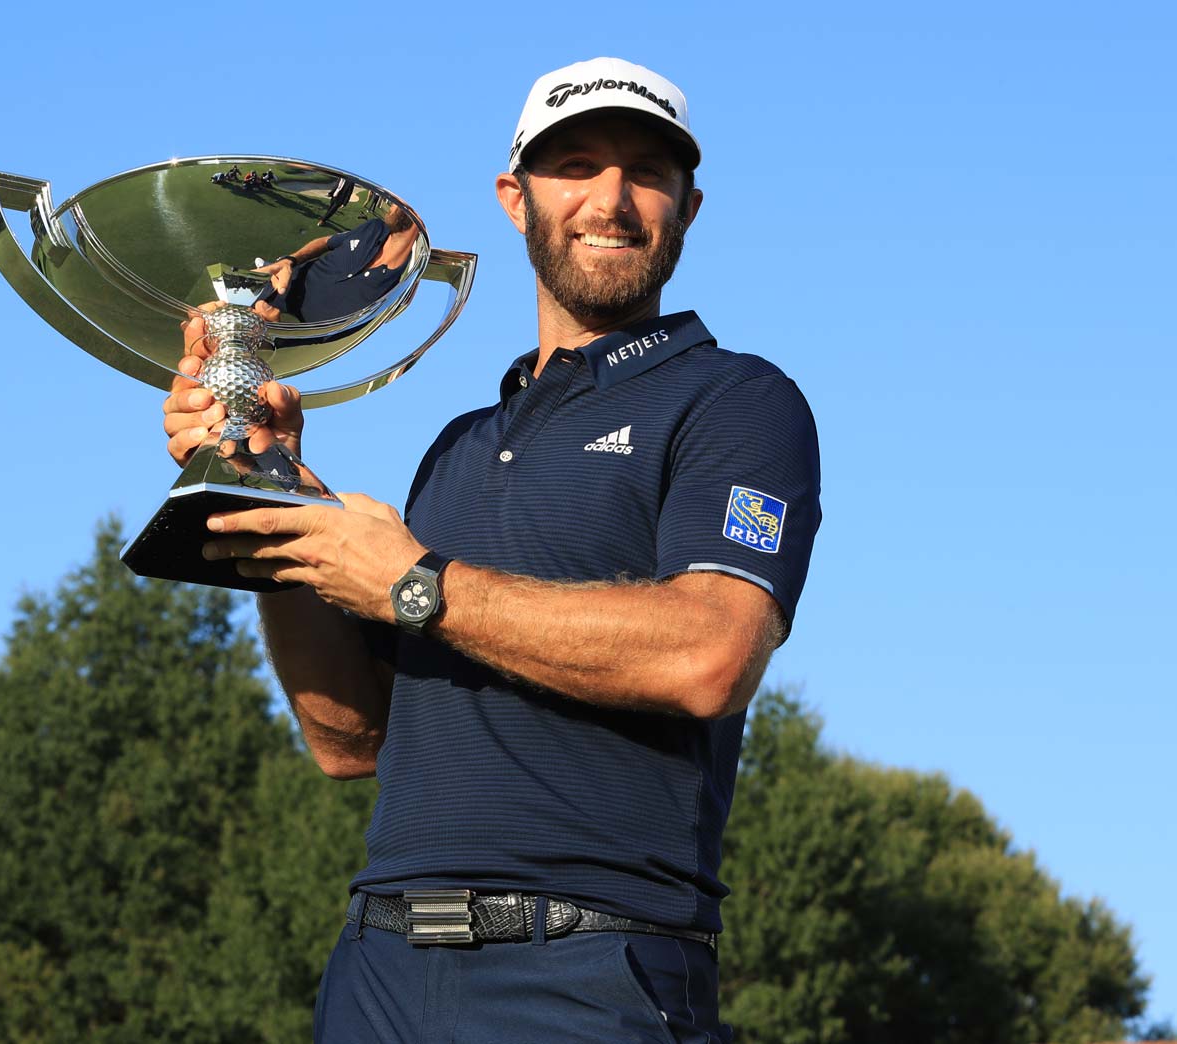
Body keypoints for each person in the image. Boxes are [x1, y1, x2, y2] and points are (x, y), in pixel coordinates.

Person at [162, 56, 820, 1042]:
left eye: (646, 172)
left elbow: (710, 654)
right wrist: (274, 485)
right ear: (516, 200)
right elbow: (349, 742)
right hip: (377, 970)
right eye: (576, 166)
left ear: (687, 207)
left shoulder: (736, 401)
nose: (611, 199)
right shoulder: (458, 449)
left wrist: (415, 584)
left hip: (589, 970)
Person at [249, 203, 419, 323]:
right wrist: (289, 260)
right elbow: (325, 242)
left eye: (400, 199)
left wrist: (278, 327)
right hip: (270, 289)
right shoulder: (374, 227)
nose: (392, 203)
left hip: (280, 325)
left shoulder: (403, 285)